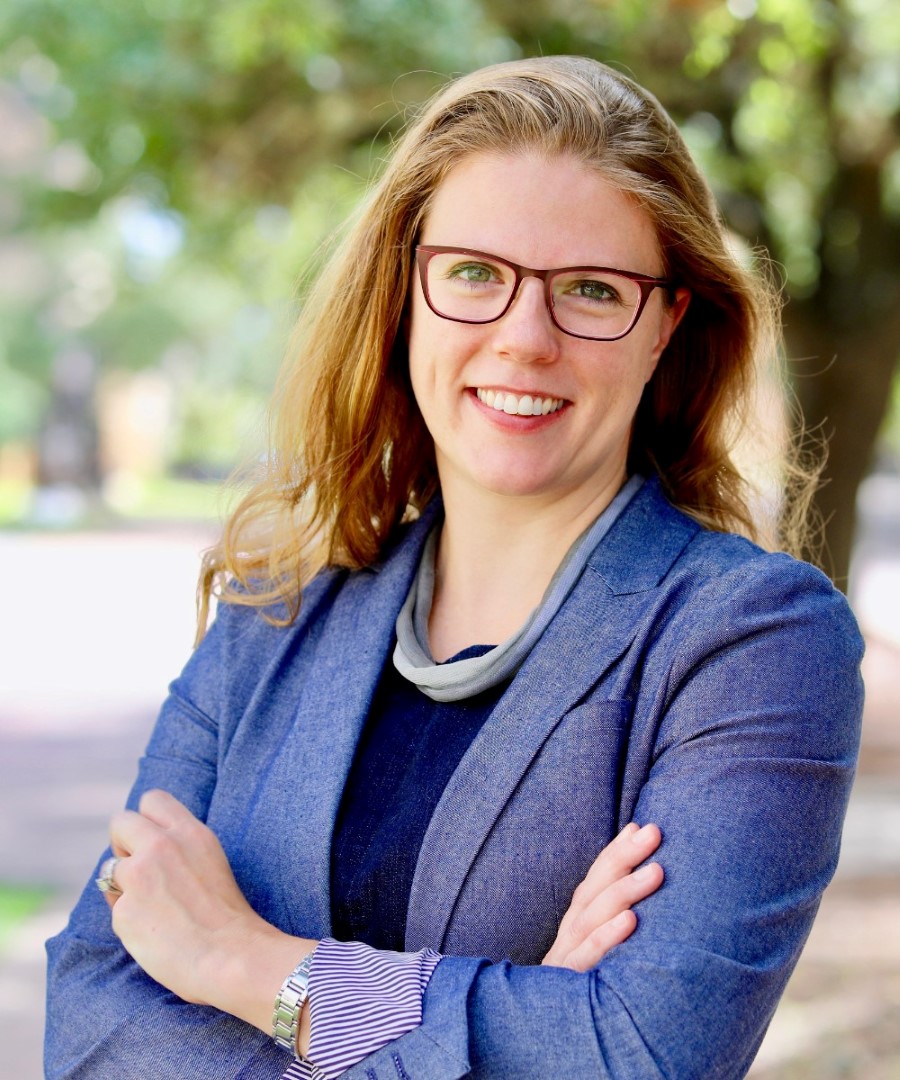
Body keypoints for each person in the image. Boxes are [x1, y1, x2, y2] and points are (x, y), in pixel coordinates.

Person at [45, 55, 863, 1079]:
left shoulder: (749, 642)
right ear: (406, 292)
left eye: (592, 291)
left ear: (666, 324)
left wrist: (240, 962)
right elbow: (87, 1024)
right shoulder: (275, 605)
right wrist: (521, 1019)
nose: (526, 339)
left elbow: (645, 1055)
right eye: (475, 273)